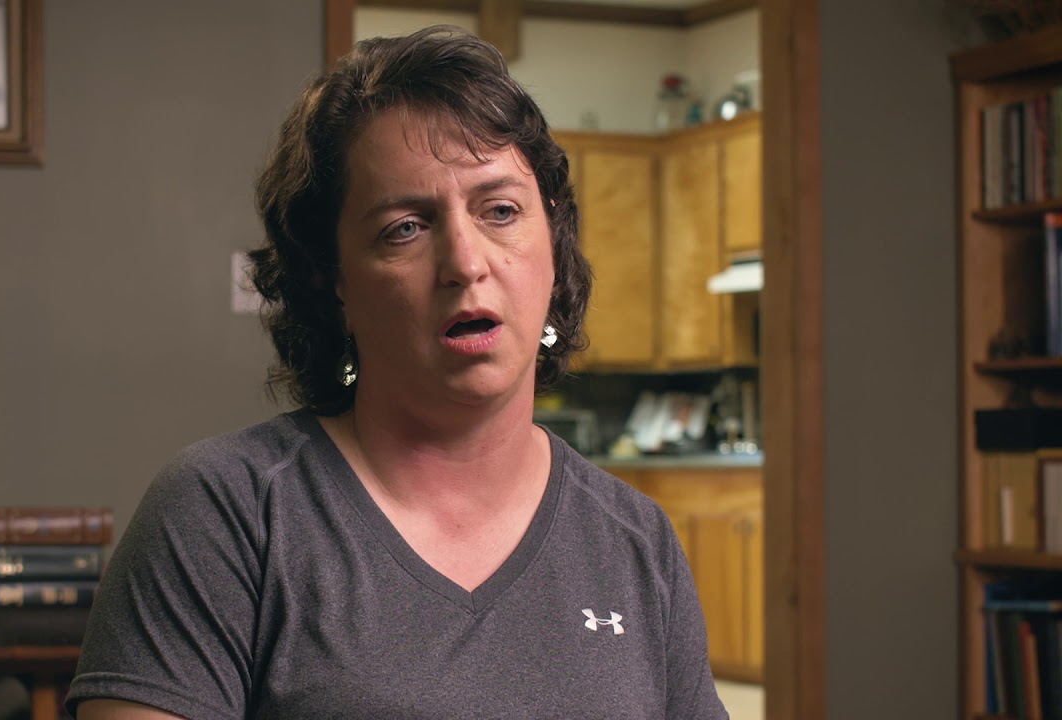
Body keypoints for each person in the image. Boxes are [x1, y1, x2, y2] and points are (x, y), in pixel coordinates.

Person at [66, 26, 727, 720]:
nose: (466, 262)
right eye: (405, 227)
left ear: (554, 240)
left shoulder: (636, 542)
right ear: (332, 278)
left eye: (500, 210)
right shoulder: (225, 513)